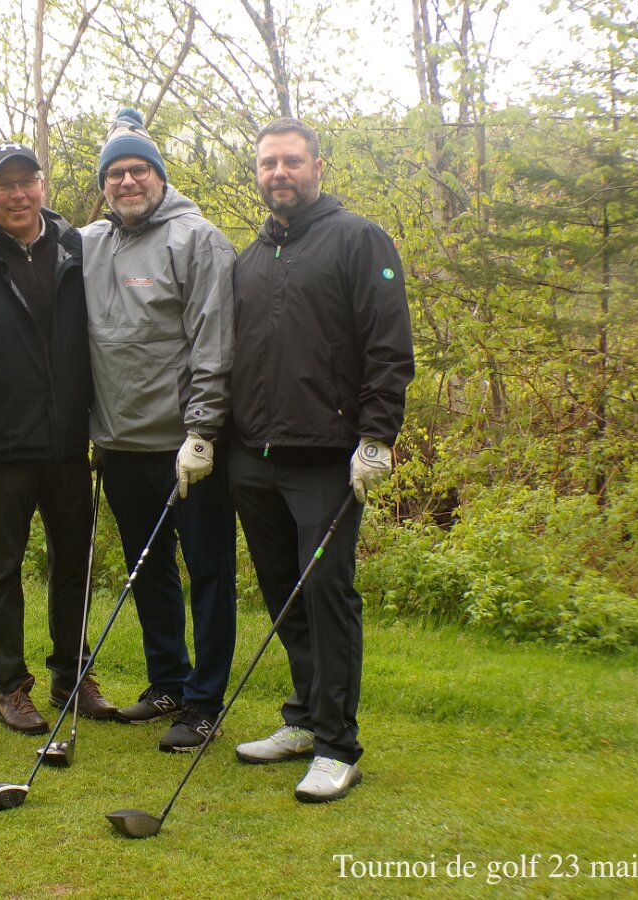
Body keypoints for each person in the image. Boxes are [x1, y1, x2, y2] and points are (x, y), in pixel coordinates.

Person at [229, 117, 414, 801]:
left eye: (291, 161)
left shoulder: (359, 240)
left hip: (327, 458)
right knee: (284, 595)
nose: (279, 173)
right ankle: (305, 719)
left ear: (317, 167)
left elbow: (389, 346)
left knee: (327, 595)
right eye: (268, 163)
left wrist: (377, 437)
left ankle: (338, 746)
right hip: (253, 457)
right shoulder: (250, 257)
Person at [0, 141, 117, 735]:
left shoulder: (76, 252)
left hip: (68, 445)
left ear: (42, 185)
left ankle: (72, 675)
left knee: (74, 565)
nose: (17, 194)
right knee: (1, 570)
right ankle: (10, 686)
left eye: (26, 181)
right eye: (3, 185)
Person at [81, 108, 237, 753]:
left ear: (160, 176)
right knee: (148, 572)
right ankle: (168, 681)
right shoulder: (88, 244)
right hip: (119, 445)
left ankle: (204, 702)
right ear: (103, 184)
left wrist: (203, 429)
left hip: (186, 447)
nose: (127, 181)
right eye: (115, 173)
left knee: (208, 571)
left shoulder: (198, 240)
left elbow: (214, 341)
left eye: (138, 169)